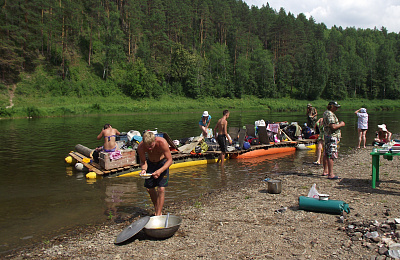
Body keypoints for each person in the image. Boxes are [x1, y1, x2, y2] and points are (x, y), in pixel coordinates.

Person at [137, 131, 172, 216]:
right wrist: (143, 170)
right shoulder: (141, 147)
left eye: (151, 146)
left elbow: (170, 160)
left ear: (155, 140)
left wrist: (160, 171)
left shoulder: (162, 142)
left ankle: (158, 214)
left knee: (161, 189)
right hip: (150, 164)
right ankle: (157, 209)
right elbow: (143, 162)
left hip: (162, 163)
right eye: (147, 146)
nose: (149, 148)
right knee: (150, 189)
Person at [322, 101, 345, 179]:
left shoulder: (325, 113)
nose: (337, 108)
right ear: (331, 106)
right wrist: (341, 124)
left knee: (326, 153)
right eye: (336, 107)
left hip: (327, 136)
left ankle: (325, 171)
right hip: (331, 136)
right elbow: (333, 127)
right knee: (331, 154)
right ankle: (330, 174)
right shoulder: (330, 114)